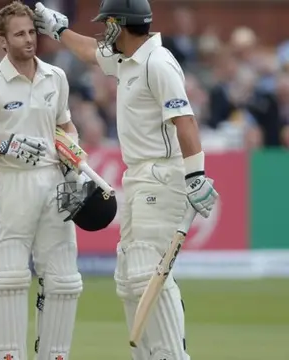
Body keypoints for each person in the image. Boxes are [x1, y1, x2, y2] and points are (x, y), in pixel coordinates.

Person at [33, 1, 220, 359]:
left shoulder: (158, 62)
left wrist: (195, 176)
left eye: (108, 24)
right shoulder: (127, 60)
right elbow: (91, 51)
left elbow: (185, 121)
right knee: (130, 278)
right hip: (137, 176)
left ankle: (169, 355)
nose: (104, 30)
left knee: (147, 271)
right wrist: (58, 30)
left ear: (121, 24)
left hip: (161, 175)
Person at [0, 2, 84, 359]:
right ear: (2, 40)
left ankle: (55, 355)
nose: (29, 40)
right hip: (11, 182)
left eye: (32, 32)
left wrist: (72, 148)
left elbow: (65, 124)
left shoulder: (55, 77)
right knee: (10, 279)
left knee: (64, 280)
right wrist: (5, 145)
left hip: (53, 181)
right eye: (19, 34)